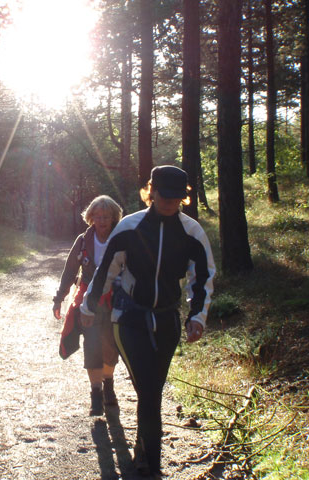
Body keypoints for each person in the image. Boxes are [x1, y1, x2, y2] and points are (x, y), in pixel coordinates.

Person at [81, 165, 215, 478]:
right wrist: (88, 306)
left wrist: (198, 316)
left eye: (176, 197)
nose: (169, 202)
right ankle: (152, 467)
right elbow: (106, 271)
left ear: (184, 197)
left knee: (150, 388)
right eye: (163, 195)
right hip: (128, 317)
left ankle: (143, 448)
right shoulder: (129, 227)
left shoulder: (191, 231)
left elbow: (204, 275)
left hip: (167, 320)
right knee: (150, 388)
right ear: (150, 191)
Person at [53, 195, 124, 416]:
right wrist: (59, 297)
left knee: (111, 345)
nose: (102, 220)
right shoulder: (83, 240)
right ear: (91, 217)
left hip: (114, 297)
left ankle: (109, 384)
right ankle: (96, 394)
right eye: (98, 216)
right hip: (87, 299)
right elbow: (70, 272)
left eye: (106, 216)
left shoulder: (121, 238)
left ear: (114, 217)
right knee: (92, 344)